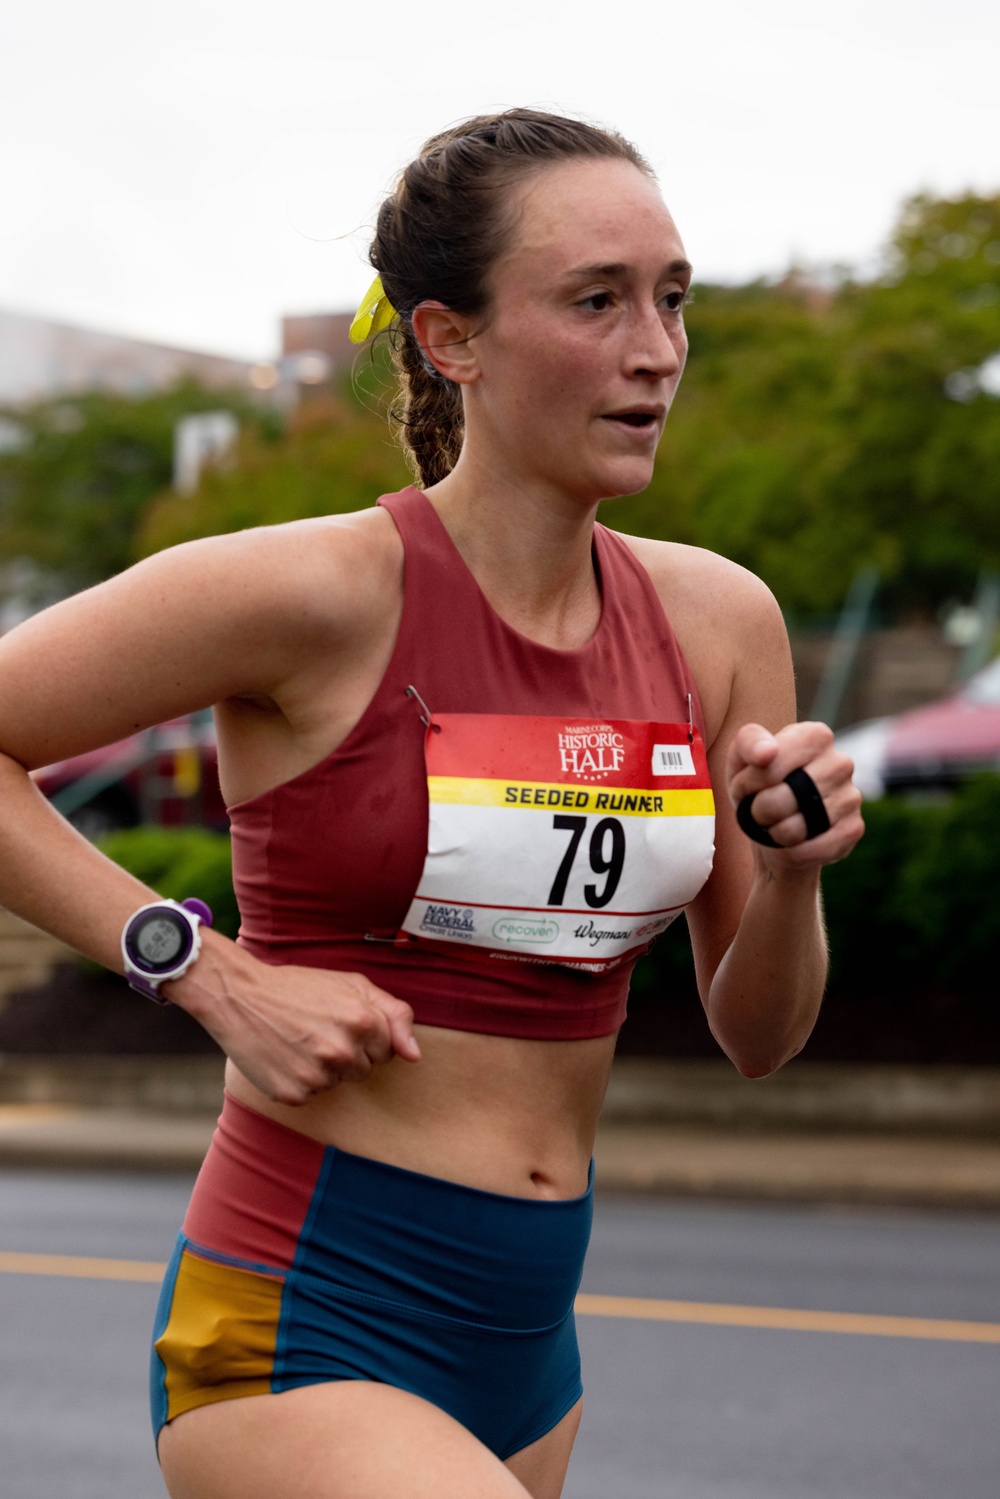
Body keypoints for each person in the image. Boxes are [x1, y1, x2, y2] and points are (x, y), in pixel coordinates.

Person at [0, 109, 863, 1499]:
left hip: (528, 1342)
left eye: (673, 298)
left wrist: (802, 872)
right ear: (449, 338)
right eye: (597, 300)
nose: (657, 349)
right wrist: (202, 970)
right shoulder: (313, 592)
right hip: (305, 1310)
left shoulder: (719, 621)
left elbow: (757, 1037)